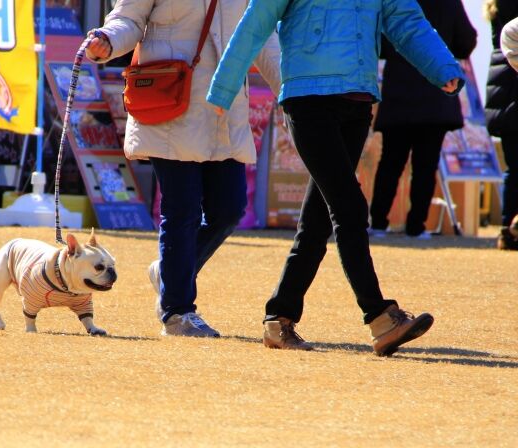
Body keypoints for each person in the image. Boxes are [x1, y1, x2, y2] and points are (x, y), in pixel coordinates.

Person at [207, 0, 465, 355]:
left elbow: (406, 21)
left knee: (317, 220)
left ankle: (279, 319)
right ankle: (380, 317)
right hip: (308, 99)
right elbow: (256, 22)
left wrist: (442, 67)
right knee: (349, 208)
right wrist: (223, 87)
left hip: (358, 101)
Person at [85, 0, 281, 337]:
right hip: (171, 104)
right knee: (182, 211)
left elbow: (263, 36)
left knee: (229, 209)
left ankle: (168, 273)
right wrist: (107, 40)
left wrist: (292, 91)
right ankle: (177, 313)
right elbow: (128, 19)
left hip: (224, 108)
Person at [369, 0, 477, 239]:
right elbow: (466, 41)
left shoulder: (396, 1)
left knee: (390, 163)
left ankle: (378, 223)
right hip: (435, 94)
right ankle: (416, 226)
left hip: (399, 93)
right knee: (425, 167)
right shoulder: (449, 3)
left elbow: (379, 43)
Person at [484, 0, 518, 251]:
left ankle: (507, 228)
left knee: (513, 168)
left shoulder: (496, 7)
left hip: (500, 92)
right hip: (512, 87)